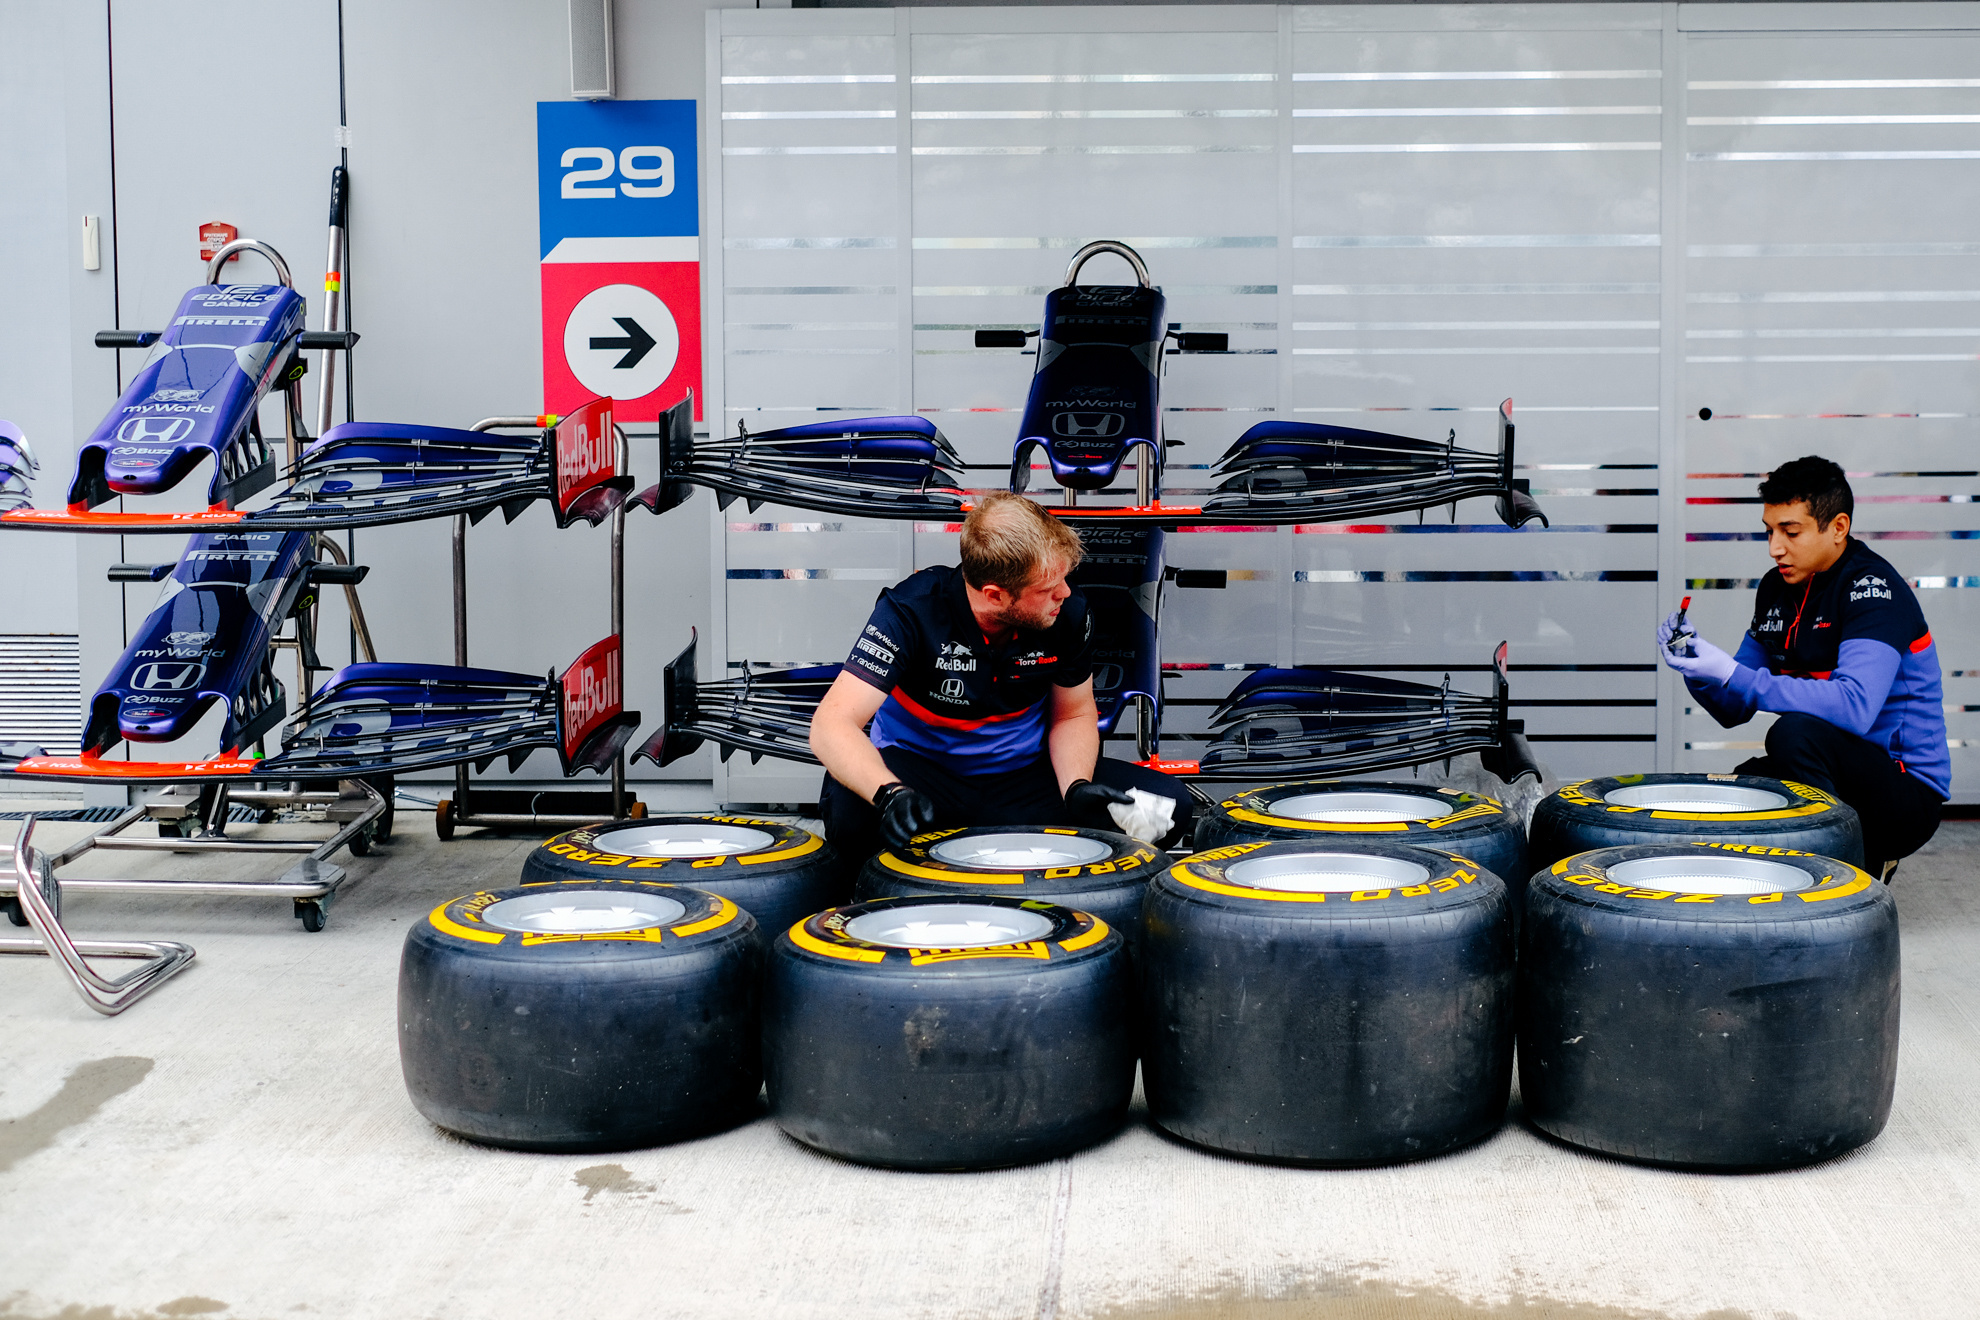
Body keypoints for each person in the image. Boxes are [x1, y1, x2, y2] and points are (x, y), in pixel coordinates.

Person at [811, 490, 1190, 858]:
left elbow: (1073, 713)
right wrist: (889, 792)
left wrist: (1076, 786)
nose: (1066, 593)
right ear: (994, 595)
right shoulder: (910, 611)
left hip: (1023, 778)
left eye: (1064, 577)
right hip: (922, 779)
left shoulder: (1069, 614)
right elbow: (832, 724)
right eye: (1047, 587)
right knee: (850, 815)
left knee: (1170, 811)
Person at [1661, 455, 1946, 880]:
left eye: (1790, 531)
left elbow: (1855, 706)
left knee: (1793, 734)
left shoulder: (1874, 589)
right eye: (1770, 531)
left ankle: (1845, 883)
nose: (1776, 547)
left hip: (1903, 793)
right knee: (1735, 792)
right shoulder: (1778, 586)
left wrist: (1733, 674)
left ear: (1838, 528)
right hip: (1838, 769)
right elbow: (1732, 708)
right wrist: (1699, 668)